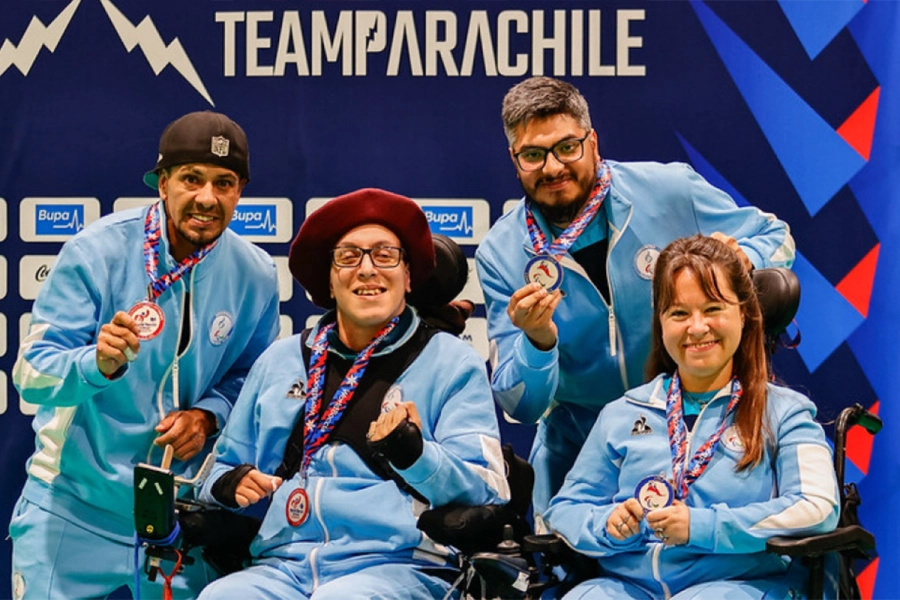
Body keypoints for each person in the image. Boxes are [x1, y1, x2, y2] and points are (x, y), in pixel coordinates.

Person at [474, 76, 796, 528]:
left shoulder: (669, 190)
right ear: (514, 160)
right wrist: (538, 341)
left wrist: (742, 259)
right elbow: (520, 407)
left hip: (696, 436)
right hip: (580, 458)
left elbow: (777, 237)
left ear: (592, 142)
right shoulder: (501, 253)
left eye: (567, 147)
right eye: (533, 155)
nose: (552, 167)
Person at [9, 111, 281, 599]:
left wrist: (208, 415)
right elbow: (31, 374)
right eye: (192, 178)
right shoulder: (96, 252)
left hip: (179, 523)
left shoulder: (256, 274)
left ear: (240, 191)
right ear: (162, 182)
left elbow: (252, 378)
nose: (207, 198)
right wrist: (95, 365)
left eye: (224, 183)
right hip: (74, 511)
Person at [196, 188, 509, 599]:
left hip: (399, 564)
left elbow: (488, 488)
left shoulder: (451, 361)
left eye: (385, 255)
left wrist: (416, 455)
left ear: (408, 276)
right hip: (283, 565)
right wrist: (228, 484)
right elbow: (216, 472)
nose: (367, 270)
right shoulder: (281, 360)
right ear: (329, 279)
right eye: (348, 257)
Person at [544, 234, 839, 599]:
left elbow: (816, 506)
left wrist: (703, 527)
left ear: (743, 313)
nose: (697, 328)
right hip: (628, 585)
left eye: (713, 309)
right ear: (661, 322)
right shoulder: (622, 414)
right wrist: (607, 525)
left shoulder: (784, 412)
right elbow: (566, 509)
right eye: (679, 313)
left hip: (740, 584)